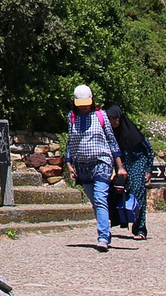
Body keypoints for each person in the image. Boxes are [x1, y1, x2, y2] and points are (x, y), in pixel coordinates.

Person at [64, 84, 126, 252]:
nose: (84, 106)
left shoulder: (101, 116)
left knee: (100, 198)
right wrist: (69, 164)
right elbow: (71, 142)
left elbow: (111, 140)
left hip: (101, 163)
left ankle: (103, 237)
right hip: (82, 166)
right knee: (95, 201)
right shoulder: (72, 117)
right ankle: (105, 227)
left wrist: (119, 166)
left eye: (86, 102)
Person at [104, 104, 154, 241]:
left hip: (137, 164)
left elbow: (148, 150)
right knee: (117, 194)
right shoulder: (110, 134)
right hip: (122, 166)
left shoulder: (132, 133)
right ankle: (119, 221)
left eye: (115, 119)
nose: (113, 122)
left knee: (138, 194)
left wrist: (149, 169)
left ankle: (140, 229)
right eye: (109, 119)